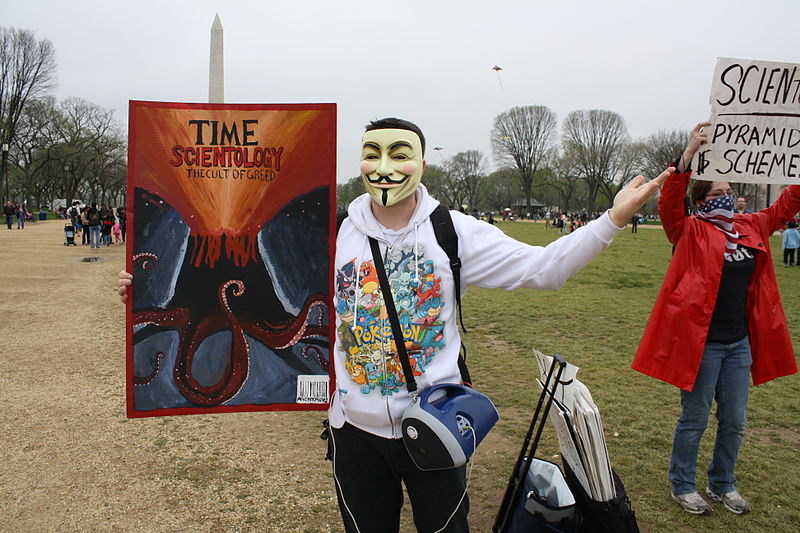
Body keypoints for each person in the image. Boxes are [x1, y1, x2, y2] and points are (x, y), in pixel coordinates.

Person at [120, 117, 669, 533]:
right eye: (372, 153)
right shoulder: (334, 235)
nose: (384, 166)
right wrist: (144, 292)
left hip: (433, 425)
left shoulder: (455, 233)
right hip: (354, 434)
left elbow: (544, 269)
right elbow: (246, 291)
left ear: (422, 163)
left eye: (399, 154)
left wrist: (613, 218)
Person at [633, 122, 799, 516]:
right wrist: (688, 155)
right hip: (702, 343)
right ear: (702, 199)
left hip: (738, 343)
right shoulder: (689, 230)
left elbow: (784, 208)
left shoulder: (750, 227)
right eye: (720, 193)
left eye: (731, 192)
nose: (729, 198)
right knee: (694, 418)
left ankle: (723, 483)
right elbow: (670, 203)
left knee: (735, 421)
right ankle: (682, 484)